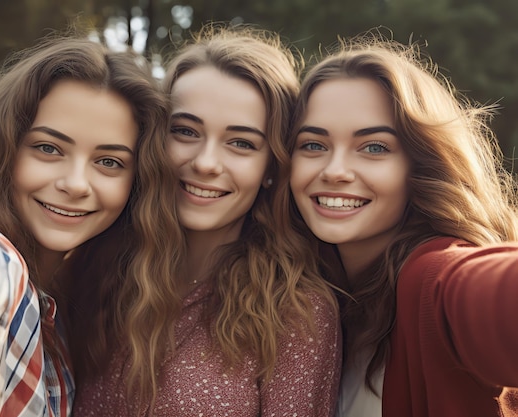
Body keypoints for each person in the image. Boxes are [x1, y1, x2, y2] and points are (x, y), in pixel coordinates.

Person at [0, 33, 179, 416]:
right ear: (4, 148)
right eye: (48, 148)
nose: (75, 184)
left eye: (109, 162)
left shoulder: (65, 322)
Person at [72, 25, 342, 417]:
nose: (205, 163)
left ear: (271, 166)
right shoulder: (100, 266)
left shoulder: (296, 312)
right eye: (185, 131)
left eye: (241, 143)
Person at [287, 31, 518, 417]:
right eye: (313, 144)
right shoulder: (309, 304)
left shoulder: (432, 277)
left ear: (421, 166)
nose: (335, 170)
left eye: (374, 147)